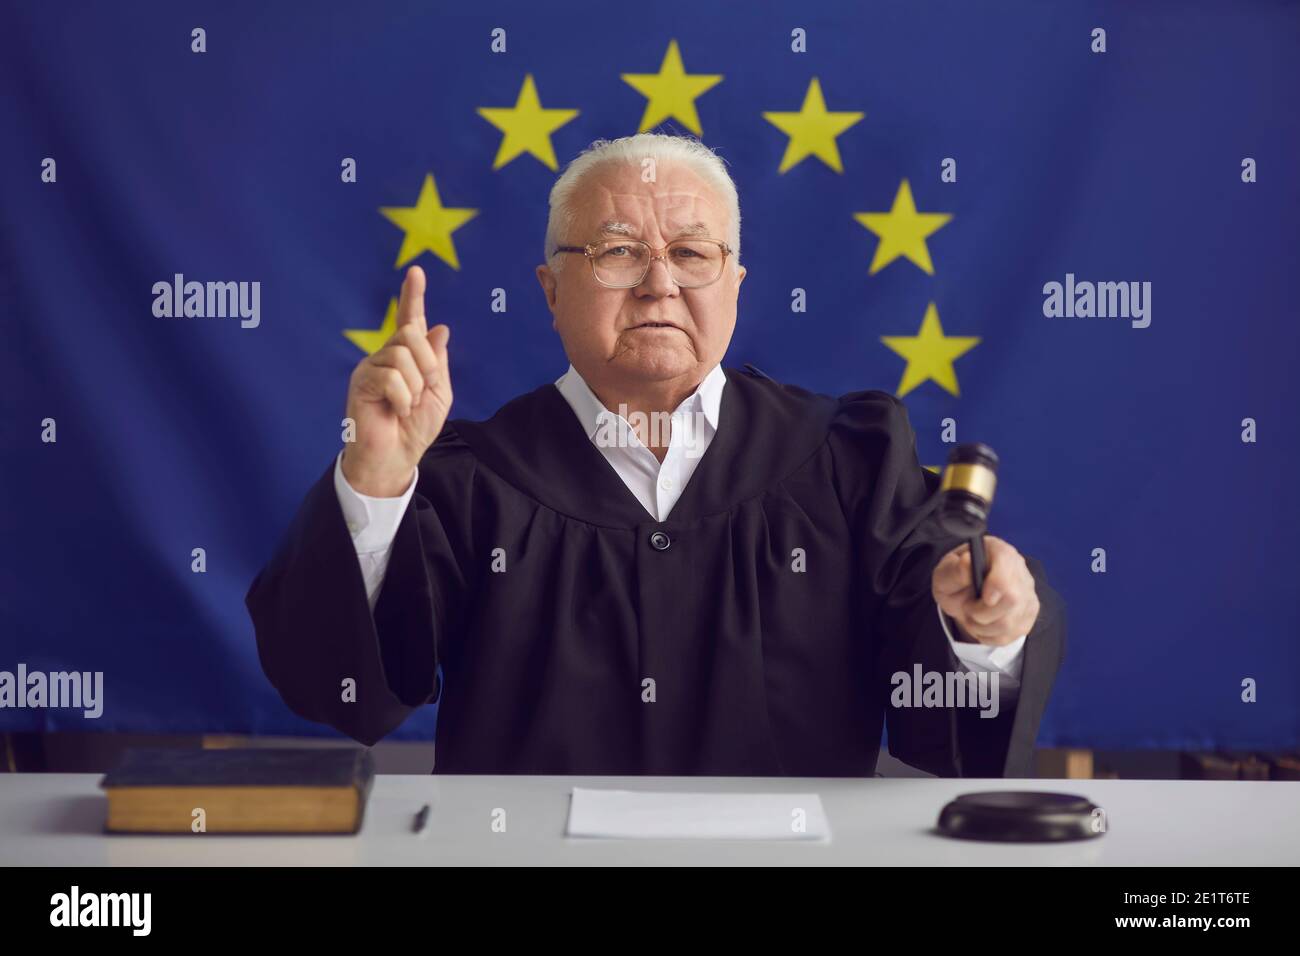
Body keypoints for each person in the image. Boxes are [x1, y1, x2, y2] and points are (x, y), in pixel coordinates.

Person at [247, 133, 1065, 777]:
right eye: (616, 251)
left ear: (735, 283)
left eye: (691, 253)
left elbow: (949, 720)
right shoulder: (470, 475)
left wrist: (986, 631)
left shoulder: (853, 459)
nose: (658, 284)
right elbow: (340, 693)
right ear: (550, 290)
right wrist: (378, 473)